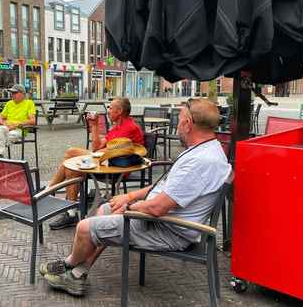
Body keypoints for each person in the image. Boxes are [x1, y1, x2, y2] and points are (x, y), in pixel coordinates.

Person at [40, 98, 231, 296]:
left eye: (180, 119)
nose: (178, 126)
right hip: (163, 221)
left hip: (167, 230)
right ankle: (78, 275)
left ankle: (67, 264)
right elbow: (163, 188)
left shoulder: (199, 162)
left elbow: (158, 208)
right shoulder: (207, 150)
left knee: (84, 227)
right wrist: (129, 196)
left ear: (188, 124)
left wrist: (131, 208)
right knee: (105, 210)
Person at [48, 97, 144, 230]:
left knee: (71, 153)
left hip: (118, 169)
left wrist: (98, 151)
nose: (108, 110)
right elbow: (97, 148)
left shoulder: (130, 127)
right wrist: (94, 125)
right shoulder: (117, 127)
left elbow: (102, 152)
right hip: (108, 164)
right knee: (72, 169)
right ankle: (69, 211)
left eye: (110, 107)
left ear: (120, 111)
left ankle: (50, 191)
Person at [0, 84, 36, 156]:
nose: (12, 95)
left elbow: (32, 121)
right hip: (6, 127)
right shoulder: (9, 103)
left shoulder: (29, 103)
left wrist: (16, 125)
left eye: (15, 93)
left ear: (23, 94)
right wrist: (5, 124)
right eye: (12, 93)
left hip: (20, 129)